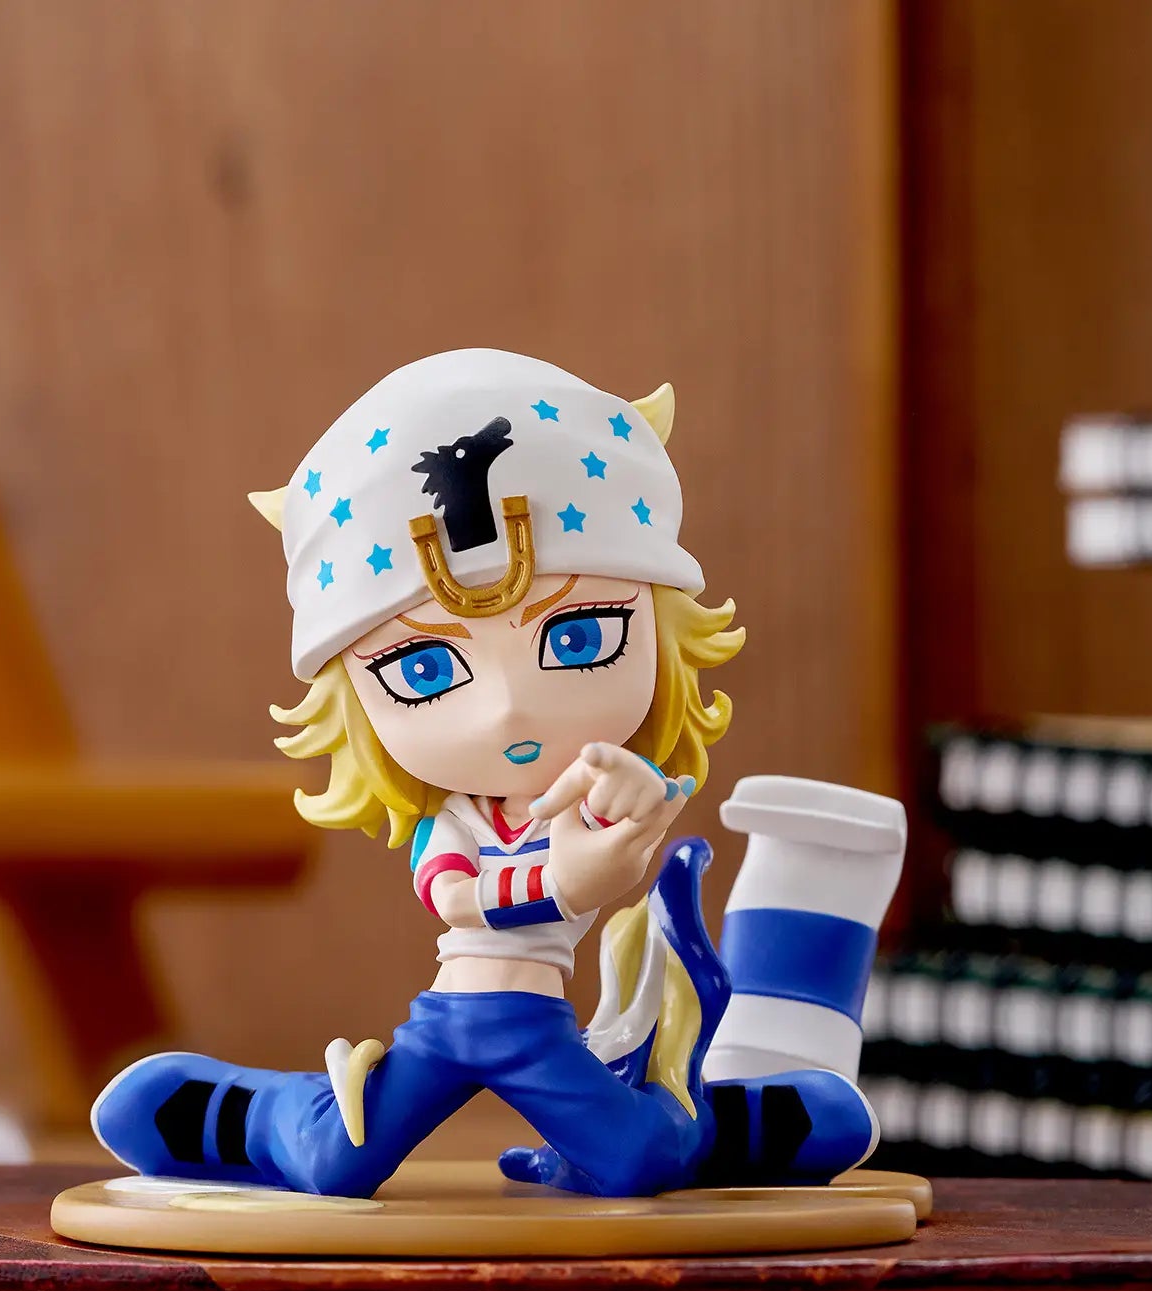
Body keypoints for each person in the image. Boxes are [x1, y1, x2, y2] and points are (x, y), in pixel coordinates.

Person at [91, 350, 874, 1197]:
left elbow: (627, 838)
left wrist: (635, 806)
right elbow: (456, 898)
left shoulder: (596, 792)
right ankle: (253, 1112)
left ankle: (724, 1118)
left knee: (639, 1162)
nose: (505, 711)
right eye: (424, 670)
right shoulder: (457, 823)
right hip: (453, 1017)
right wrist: (564, 881)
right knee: (331, 1160)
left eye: (577, 638)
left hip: (537, 1025)